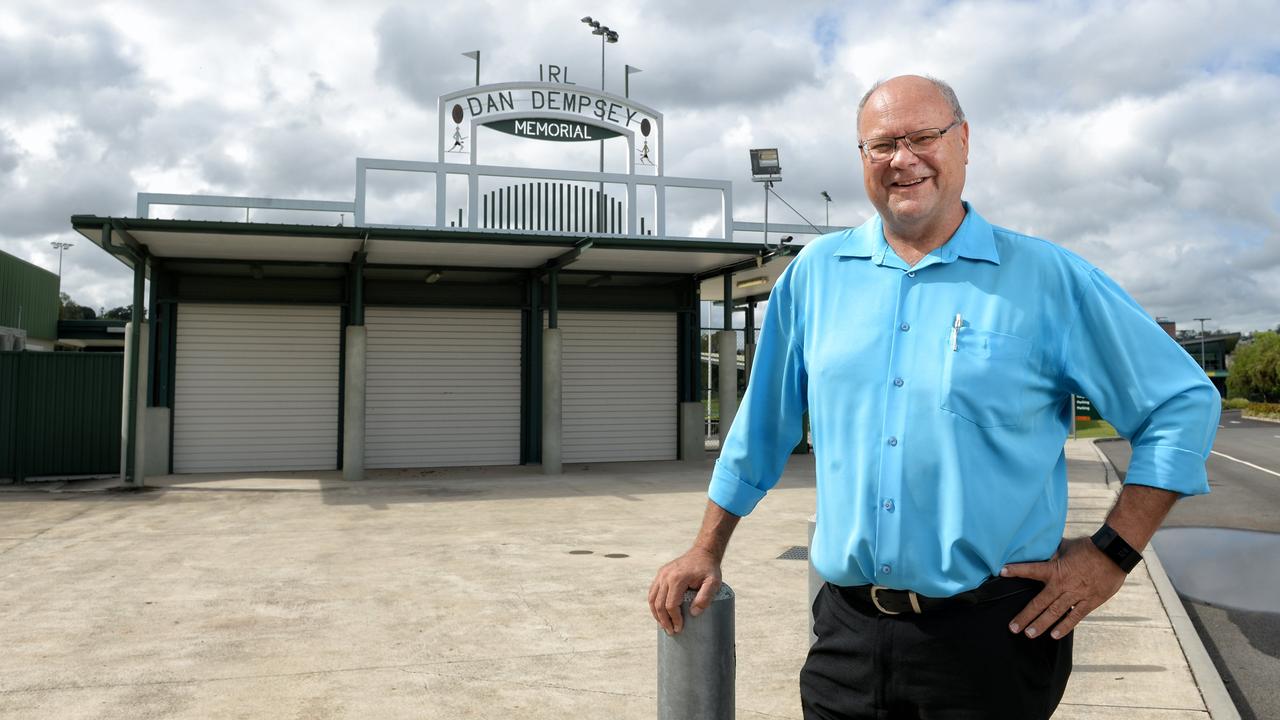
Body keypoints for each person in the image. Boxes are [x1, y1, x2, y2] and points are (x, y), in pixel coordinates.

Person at [647, 75, 1220, 719]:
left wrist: (1111, 555)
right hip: (846, 637)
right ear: (862, 159)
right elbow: (762, 426)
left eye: (924, 137)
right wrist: (707, 547)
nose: (903, 158)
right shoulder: (815, 275)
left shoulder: (1048, 279)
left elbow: (1181, 403)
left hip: (993, 644)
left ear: (965, 142)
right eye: (883, 144)